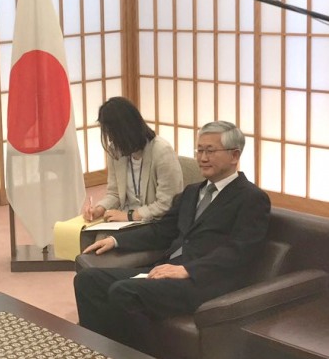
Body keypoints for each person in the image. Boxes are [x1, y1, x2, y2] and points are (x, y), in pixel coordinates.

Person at [74, 121, 271, 347]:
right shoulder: (192, 192)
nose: (202, 157)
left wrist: (187, 270)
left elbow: (240, 251)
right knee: (88, 279)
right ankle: (98, 351)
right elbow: (162, 231)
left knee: (124, 291)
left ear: (234, 155)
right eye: (199, 150)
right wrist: (116, 240)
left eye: (210, 151)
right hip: (166, 270)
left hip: (204, 281)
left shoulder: (251, 198)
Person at [83, 97, 183, 223]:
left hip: (156, 222)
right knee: (90, 235)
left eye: (113, 134)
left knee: (108, 241)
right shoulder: (116, 150)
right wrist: (100, 208)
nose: (111, 140)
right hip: (126, 220)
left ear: (127, 130)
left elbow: (167, 203)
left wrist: (130, 216)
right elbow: (115, 193)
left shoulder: (162, 151)